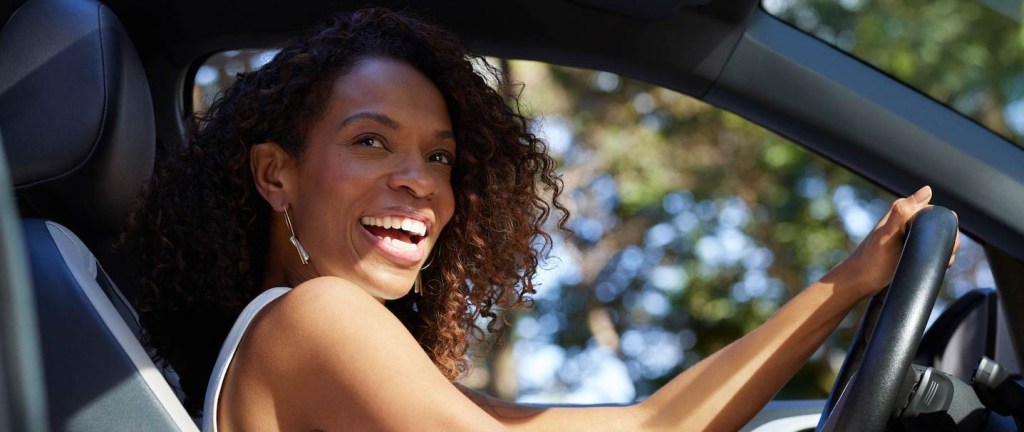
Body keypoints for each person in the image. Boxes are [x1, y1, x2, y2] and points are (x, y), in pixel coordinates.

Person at [125, 7, 961, 432]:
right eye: (372, 141)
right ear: (277, 175)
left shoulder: (334, 350)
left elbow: (651, 424)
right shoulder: (310, 318)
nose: (420, 183)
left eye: (441, 157)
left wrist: (846, 282)